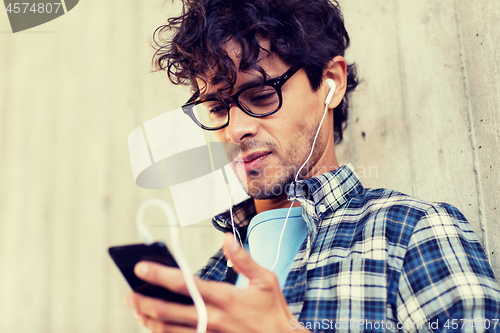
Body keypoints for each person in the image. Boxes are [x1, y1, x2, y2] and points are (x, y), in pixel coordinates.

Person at [124, 0, 500, 331]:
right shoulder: (208, 282)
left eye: (260, 95)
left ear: (331, 82)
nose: (235, 130)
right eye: (219, 108)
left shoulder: (409, 234)